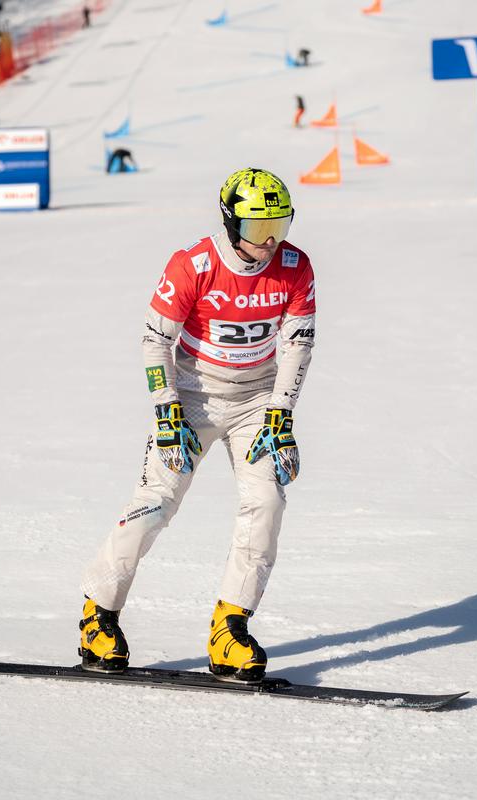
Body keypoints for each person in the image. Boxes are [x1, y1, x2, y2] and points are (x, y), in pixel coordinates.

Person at [78, 167, 317, 683]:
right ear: (232, 225)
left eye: (280, 225)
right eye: (257, 230)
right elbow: (154, 339)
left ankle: (230, 628)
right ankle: (98, 614)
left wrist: (282, 411)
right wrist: (166, 409)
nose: (270, 242)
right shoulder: (195, 264)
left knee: (267, 503)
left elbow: (297, 343)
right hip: (191, 396)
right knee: (154, 503)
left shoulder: (295, 267)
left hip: (256, 400)